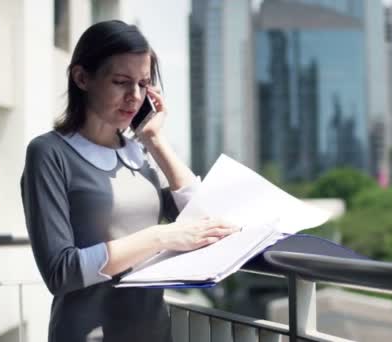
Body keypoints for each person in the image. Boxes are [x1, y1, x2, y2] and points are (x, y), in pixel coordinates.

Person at [20, 20, 238, 341]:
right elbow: (61, 272)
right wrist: (161, 237)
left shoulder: (140, 153)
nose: (134, 96)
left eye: (143, 83)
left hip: (154, 332)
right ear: (82, 78)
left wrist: (154, 139)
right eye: (121, 82)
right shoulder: (49, 153)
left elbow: (202, 220)